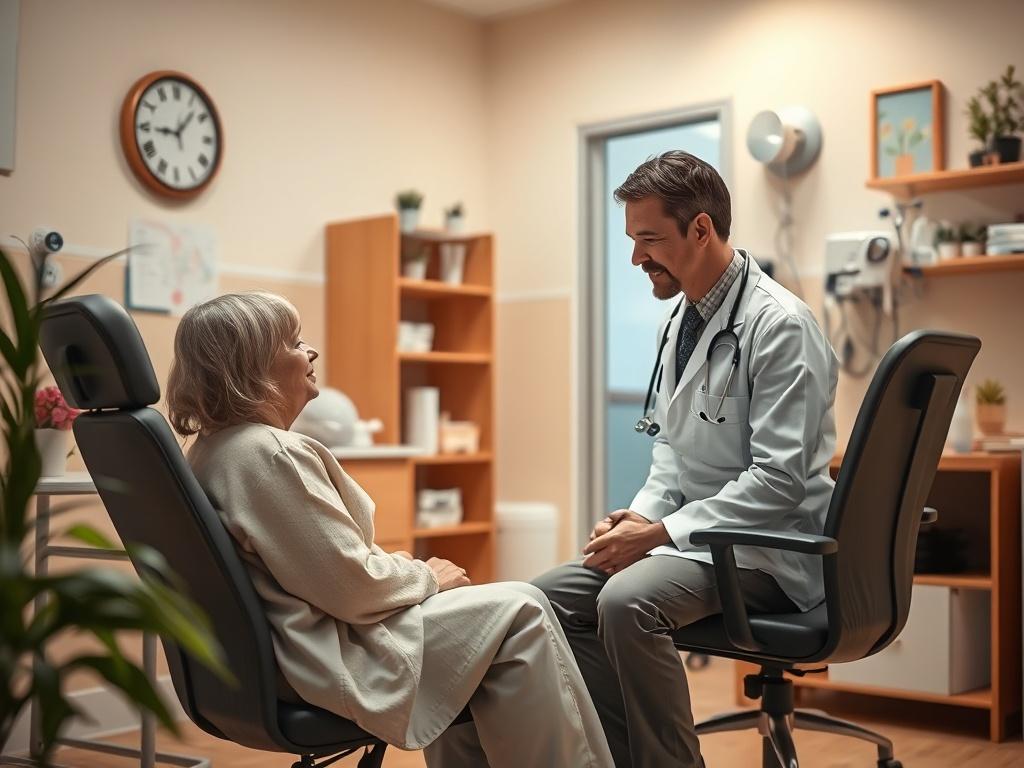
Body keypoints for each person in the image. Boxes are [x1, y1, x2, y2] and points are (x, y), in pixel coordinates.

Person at [165, 292, 613, 768]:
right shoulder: (268, 454)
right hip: (318, 659)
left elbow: (321, 568)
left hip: (271, 660)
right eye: (295, 343)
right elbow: (352, 586)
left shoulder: (213, 451)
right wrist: (426, 577)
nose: (310, 353)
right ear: (252, 365)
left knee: (493, 624)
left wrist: (410, 573)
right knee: (522, 608)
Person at [534, 151, 839, 768]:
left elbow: (778, 481)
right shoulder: (681, 323)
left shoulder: (780, 325)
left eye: (649, 239)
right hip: (698, 541)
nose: (636, 258)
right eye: (633, 239)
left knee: (627, 601)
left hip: (768, 550)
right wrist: (639, 521)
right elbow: (672, 449)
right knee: (544, 601)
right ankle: (625, 757)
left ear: (701, 228)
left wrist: (657, 537)